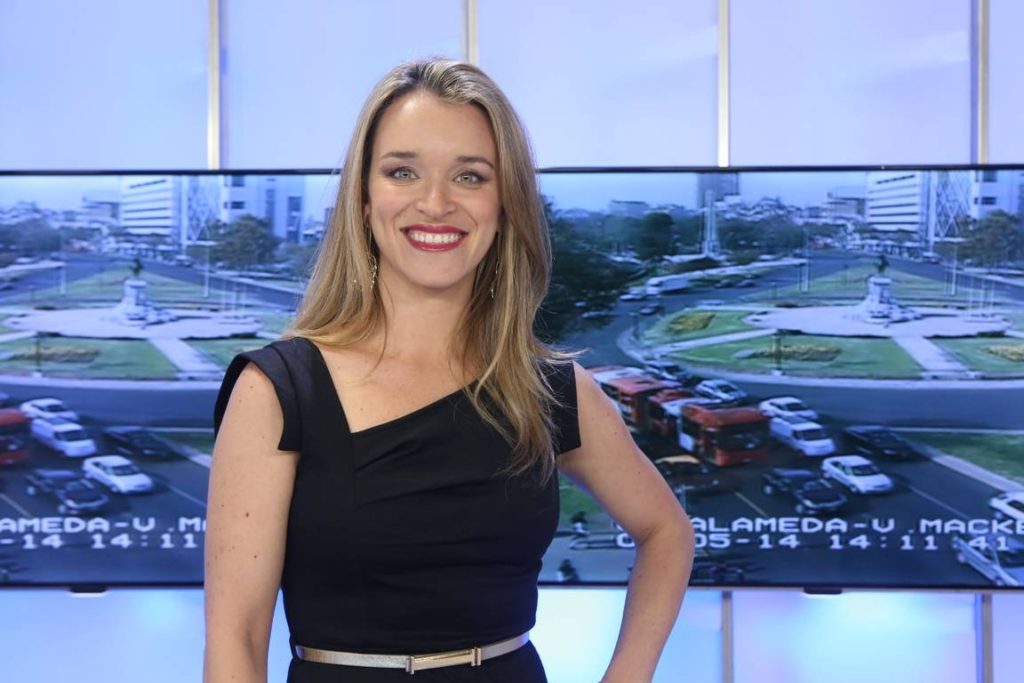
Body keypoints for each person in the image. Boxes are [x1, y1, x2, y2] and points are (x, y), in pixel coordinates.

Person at [204, 57, 694, 682]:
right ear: (363, 198)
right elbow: (237, 641)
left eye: (469, 176)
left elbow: (666, 532)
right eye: (402, 172)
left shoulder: (550, 390)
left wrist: (628, 674)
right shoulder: (278, 390)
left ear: (505, 203)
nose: (435, 203)